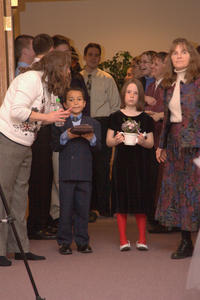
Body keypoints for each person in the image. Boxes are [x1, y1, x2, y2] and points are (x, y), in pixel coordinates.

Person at [0, 50, 71, 267]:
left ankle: (20, 248)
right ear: (57, 67)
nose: (69, 71)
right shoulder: (30, 79)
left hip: (25, 144)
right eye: (67, 67)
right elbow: (17, 112)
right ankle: (0, 251)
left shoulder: (47, 86)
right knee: (3, 197)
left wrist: (59, 117)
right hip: (7, 140)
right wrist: (48, 116)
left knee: (21, 198)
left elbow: (47, 114)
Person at [156, 38, 200, 259]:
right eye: (174, 52)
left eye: (183, 52)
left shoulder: (198, 82)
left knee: (196, 193)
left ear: (191, 56)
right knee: (179, 193)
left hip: (196, 146)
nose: (179, 56)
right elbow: (168, 118)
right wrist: (161, 145)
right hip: (175, 146)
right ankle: (185, 242)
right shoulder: (168, 84)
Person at [106, 78, 155, 251]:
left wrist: (142, 142)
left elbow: (151, 144)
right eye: (129, 92)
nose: (132, 95)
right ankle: (123, 240)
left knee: (141, 199)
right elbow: (108, 142)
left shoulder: (146, 118)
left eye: (135, 93)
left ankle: (142, 239)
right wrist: (117, 140)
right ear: (123, 94)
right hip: (122, 165)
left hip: (141, 165)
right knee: (122, 200)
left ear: (140, 96)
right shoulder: (115, 116)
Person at [51, 87, 101, 255]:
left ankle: (82, 241)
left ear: (85, 103)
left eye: (79, 99)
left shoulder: (94, 123)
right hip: (67, 173)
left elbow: (98, 148)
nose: (75, 102)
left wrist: (91, 138)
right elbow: (55, 145)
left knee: (82, 208)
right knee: (65, 209)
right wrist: (66, 136)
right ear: (65, 104)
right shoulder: (60, 122)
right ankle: (64, 242)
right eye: (71, 100)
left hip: (85, 173)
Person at [49, 35, 90, 232]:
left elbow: (85, 105)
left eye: (68, 52)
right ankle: (58, 215)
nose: (66, 57)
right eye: (61, 53)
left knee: (78, 177)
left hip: (78, 130)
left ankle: (76, 215)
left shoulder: (76, 77)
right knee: (59, 177)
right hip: (55, 131)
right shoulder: (48, 78)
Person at [80, 42, 121, 218]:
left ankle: (104, 206)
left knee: (102, 166)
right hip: (82, 123)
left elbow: (116, 106)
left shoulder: (107, 78)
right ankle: (86, 207)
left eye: (97, 55)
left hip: (103, 124)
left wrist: (112, 129)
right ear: (85, 56)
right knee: (84, 166)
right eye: (90, 54)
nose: (94, 58)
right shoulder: (77, 78)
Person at [27, 34, 55, 240]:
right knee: (40, 178)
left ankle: (41, 221)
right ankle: (37, 225)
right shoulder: (37, 71)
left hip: (43, 125)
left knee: (44, 177)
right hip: (38, 127)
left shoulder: (37, 68)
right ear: (52, 50)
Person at [144, 52, 170, 233]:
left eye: (155, 64)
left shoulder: (170, 86)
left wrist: (159, 115)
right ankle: (154, 215)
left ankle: (165, 220)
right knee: (153, 179)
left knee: (163, 179)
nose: (152, 67)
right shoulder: (152, 86)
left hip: (164, 138)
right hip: (150, 138)